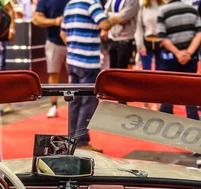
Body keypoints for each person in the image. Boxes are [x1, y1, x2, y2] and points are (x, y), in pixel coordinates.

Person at [61, 0, 113, 151]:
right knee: (89, 101)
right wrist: (111, 20)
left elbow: (62, 33)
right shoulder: (92, 3)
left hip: (72, 59)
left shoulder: (70, 5)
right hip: (88, 61)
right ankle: (82, 141)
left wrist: (74, 46)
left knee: (75, 101)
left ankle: (73, 139)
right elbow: (105, 24)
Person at [156, 0, 201, 119]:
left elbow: (162, 37)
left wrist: (178, 53)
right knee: (190, 88)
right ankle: (193, 118)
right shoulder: (192, 10)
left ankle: (166, 118)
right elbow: (199, 34)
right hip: (191, 58)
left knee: (168, 87)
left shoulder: (162, 11)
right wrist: (188, 53)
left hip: (170, 57)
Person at [33, 0, 70, 118]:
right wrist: (54, 21)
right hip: (54, 42)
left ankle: (75, 106)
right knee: (53, 75)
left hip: (75, 42)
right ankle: (53, 105)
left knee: (76, 75)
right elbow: (36, 19)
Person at [104, 0, 139, 69]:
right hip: (113, 38)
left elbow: (124, 18)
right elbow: (105, 12)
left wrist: (110, 16)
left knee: (121, 71)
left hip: (125, 40)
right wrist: (115, 16)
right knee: (111, 71)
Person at [135, 0, 163, 71]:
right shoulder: (142, 7)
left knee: (162, 71)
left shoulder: (164, 6)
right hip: (146, 42)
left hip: (161, 42)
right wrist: (140, 45)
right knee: (146, 71)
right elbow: (138, 28)